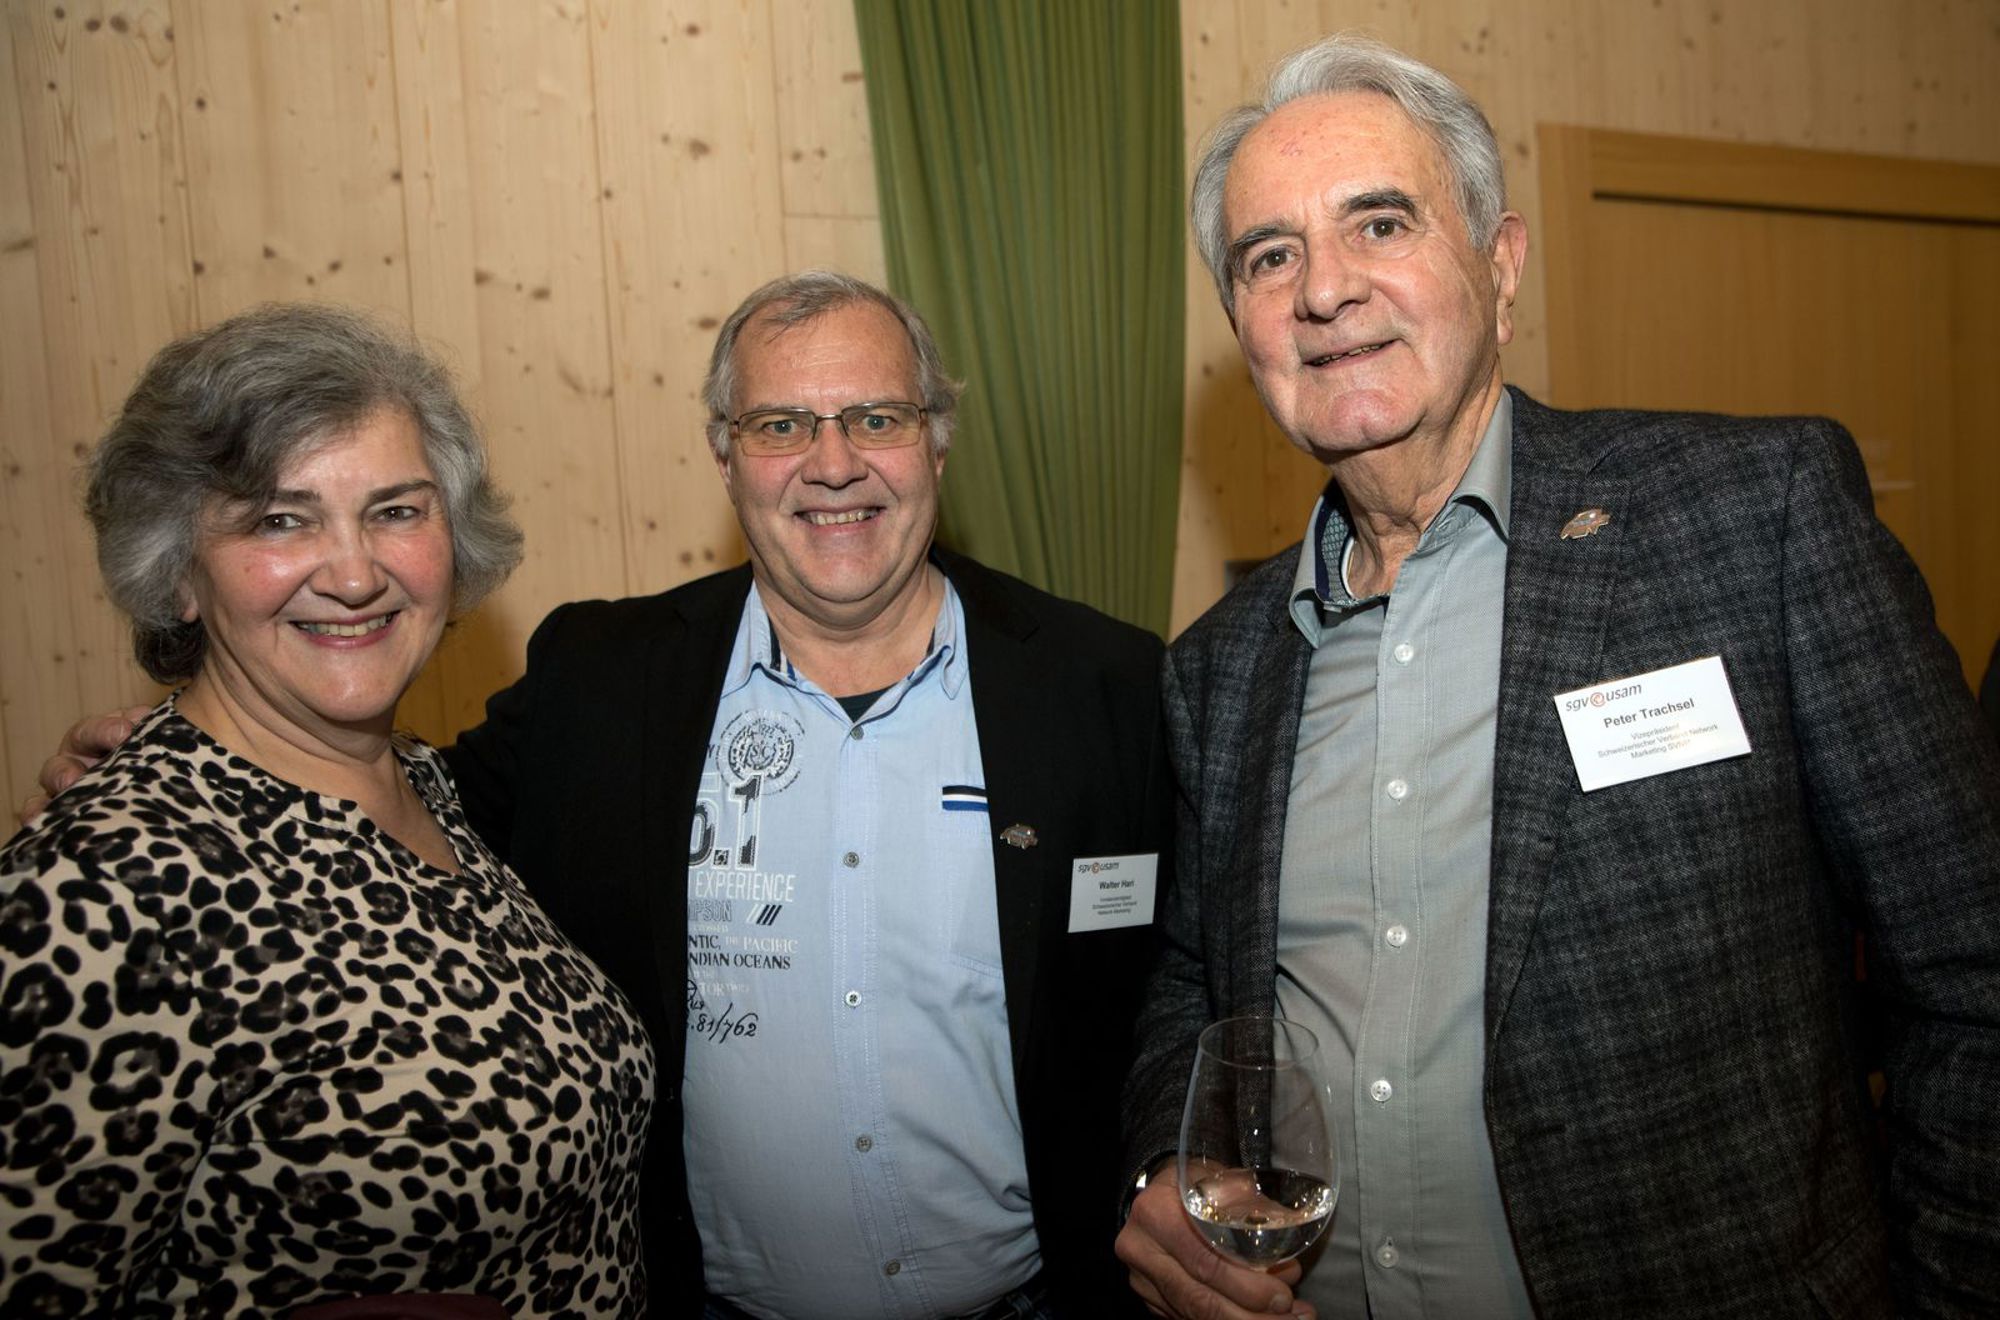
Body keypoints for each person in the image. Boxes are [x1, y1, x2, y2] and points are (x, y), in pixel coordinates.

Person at [31, 272, 1169, 1318]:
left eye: (876, 417)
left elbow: (1186, 980)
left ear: (936, 443)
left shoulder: (1105, 686)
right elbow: (314, 789)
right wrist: (167, 755)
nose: (833, 463)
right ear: (724, 456)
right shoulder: (599, 684)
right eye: (778, 425)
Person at [1115, 34, 2000, 1320]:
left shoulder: (1752, 521)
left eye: (1379, 223)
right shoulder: (1217, 668)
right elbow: (1193, 982)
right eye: (1268, 257)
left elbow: (1972, 977)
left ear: (1499, 263)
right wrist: (1167, 1159)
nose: (1324, 291)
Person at [0, 304, 654, 1315]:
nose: (353, 574)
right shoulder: (97, 891)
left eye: (395, 511)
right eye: (279, 519)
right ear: (177, 571)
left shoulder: (431, 790)